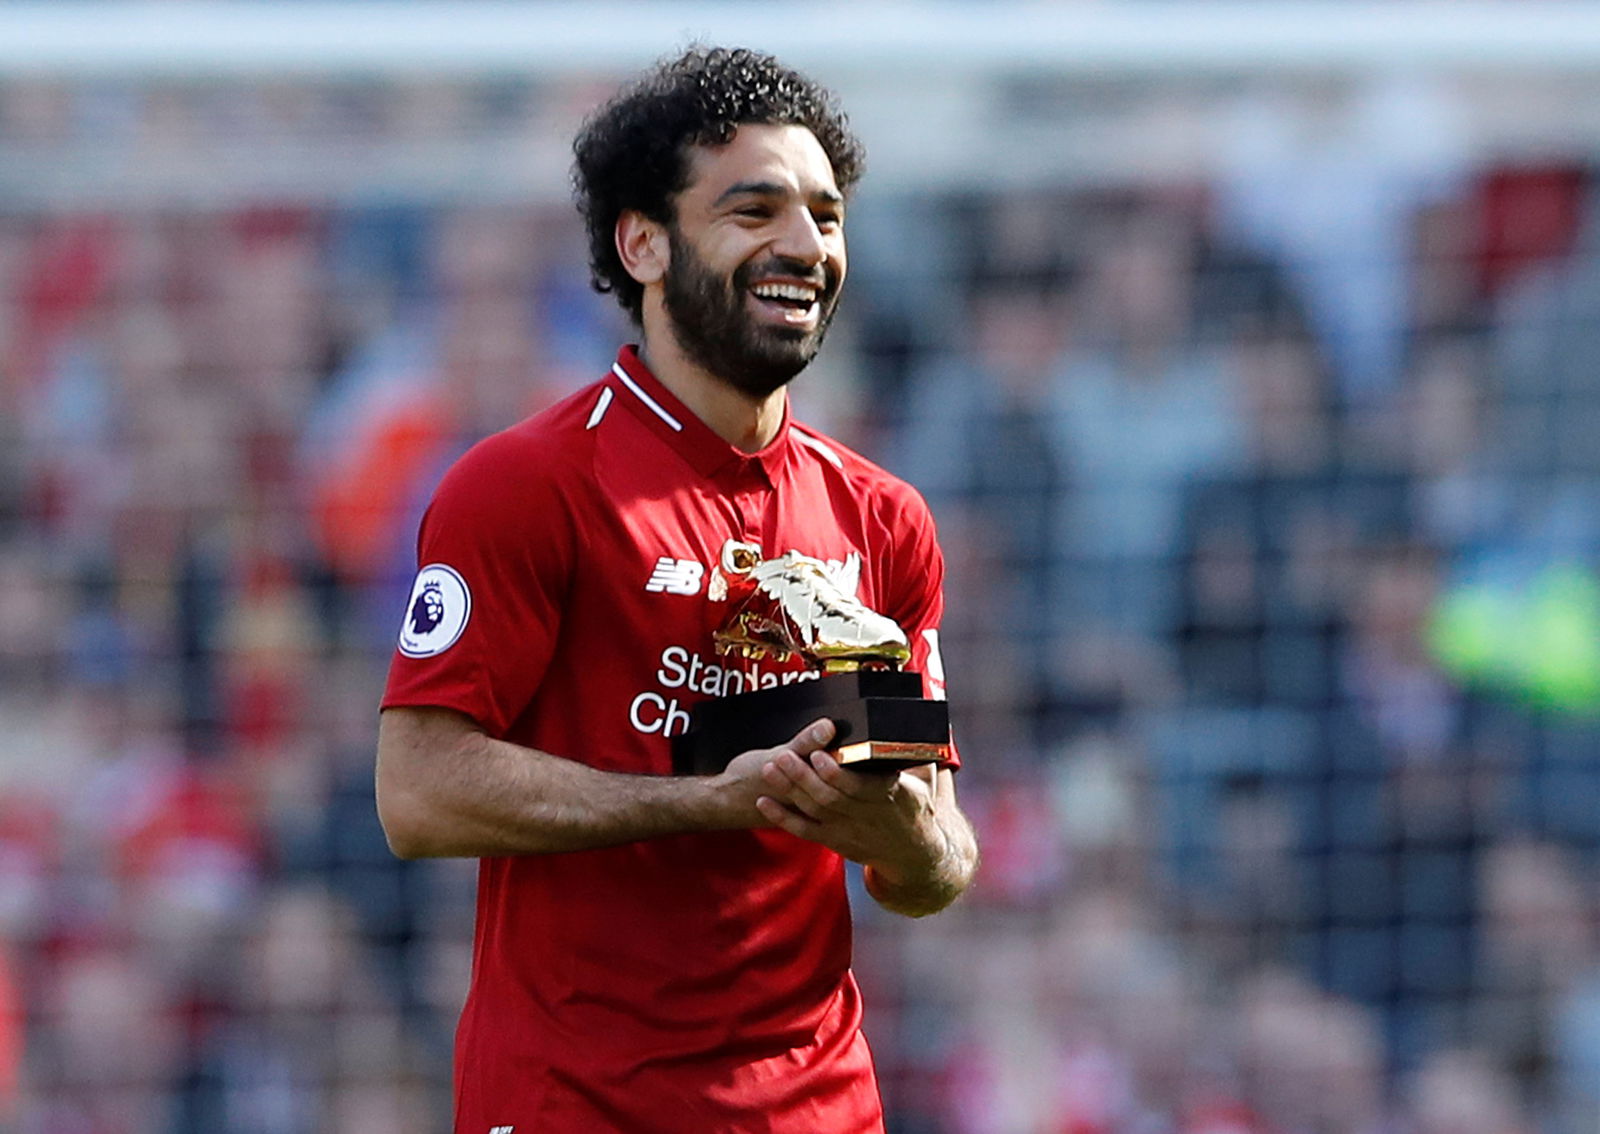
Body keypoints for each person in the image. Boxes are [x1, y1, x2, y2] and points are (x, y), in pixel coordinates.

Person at [375, 46, 979, 1133]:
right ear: (643, 243)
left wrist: (888, 827)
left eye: (826, 216)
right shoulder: (524, 487)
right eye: (755, 211)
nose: (804, 245)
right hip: (575, 1104)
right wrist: (707, 800)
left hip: (817, 1109)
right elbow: (417, 795)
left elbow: (934, 866)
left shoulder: (884, 520)